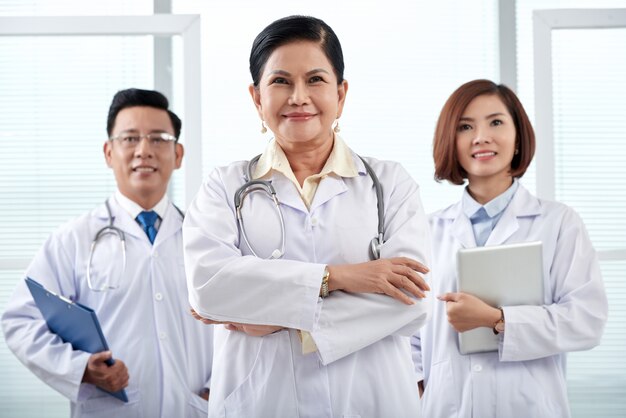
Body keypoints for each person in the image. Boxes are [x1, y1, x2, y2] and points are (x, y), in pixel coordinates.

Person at [183, 15, 431, 418]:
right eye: (281, 81)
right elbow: (210, 287)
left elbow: (411, 301)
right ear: (256, 97)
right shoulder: (223, 187)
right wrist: (342, 277)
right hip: (263, 401)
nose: (299, 96)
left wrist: (278, 318)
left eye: (315, 79)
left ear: (341, 93)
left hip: (371, 400)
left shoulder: (390, 184)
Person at [1, 88, 213, 418]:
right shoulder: (73, 239)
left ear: (179, 154)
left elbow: (236, 324)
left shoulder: (207, 238)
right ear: (108, 152)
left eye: (158, 139)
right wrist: (81, 368)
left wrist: (219, 384)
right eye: (130, 139)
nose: (144, 150)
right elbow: (21, 321)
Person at [411, 79, 608, 418]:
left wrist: (497, 320)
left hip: (530, 407)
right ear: (451, 141)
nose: (481, 136)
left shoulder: (559, 223)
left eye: (496, 122)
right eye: (465, 126)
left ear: (518, 136)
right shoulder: (425, 231)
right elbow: (409, 333)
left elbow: (586, 320)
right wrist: (419, 389)